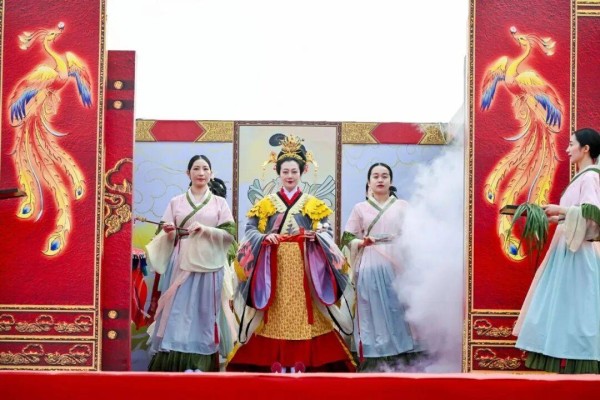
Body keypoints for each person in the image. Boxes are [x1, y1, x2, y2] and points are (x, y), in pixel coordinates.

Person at [227, 134, 355, 372]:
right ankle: (273, 360)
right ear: (278, 173)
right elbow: (250, 230)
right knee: (274, 308)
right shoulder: (266, 203)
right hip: (272, 265)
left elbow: (325, 230)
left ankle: (304, 359)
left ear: (302, 172)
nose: (289, 176)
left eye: (294, 171)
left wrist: (316, 235)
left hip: (304, 265)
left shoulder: (312, 203)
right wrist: (264, 237)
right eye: (285, 171)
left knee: (305, 310)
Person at [513, 128, 600, 374]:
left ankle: (582, 366)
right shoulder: (582, 177)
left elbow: (593, 214)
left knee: (579, 308)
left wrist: (560, 210)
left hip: (578, 253)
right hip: (566, 249)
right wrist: (555, 217)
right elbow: (578, 213)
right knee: (567, 306)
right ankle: (568, 364)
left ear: (586, 149)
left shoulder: (590, 177)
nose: (567, 149)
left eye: (572, 144)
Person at [145, 155, 236, 372]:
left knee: (204, 312)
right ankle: (173, 363)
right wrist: (169, 232)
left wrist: (206, 230)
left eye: (205, 169)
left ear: (211, 173)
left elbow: (230, 234)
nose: (201, 173)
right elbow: (162, 232)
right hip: (181, 261)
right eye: (196, 168)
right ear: (188, 173)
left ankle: (201, 363)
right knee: (177, 311)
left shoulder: (219, 203)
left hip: (209, 264)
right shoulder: (176, 202)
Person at [341, 162, 421, 371]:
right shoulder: (360, 208)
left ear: (390, 181)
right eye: (375, 176)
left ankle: (402, 351)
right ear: (368, 181)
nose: (380, 179)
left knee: (398, 304)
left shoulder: (402, 206)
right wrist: (362, 242)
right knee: (371, 306)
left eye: (384, 176)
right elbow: (347, 237)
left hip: (396, 260)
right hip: (371, 260)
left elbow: (414, 233)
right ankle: (375, 353)